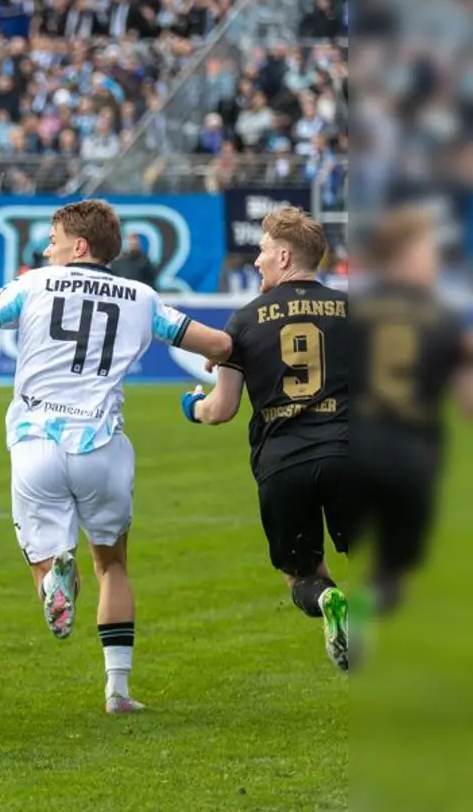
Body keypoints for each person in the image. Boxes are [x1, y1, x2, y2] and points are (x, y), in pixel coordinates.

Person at [0, 199, 231, 714]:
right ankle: (119, 691)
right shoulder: (141, 296)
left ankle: (53, 579)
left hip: (37, 441)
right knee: (113, 565)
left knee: (48, 563)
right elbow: (217, 343)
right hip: (102, 446)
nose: (45, 248)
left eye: (53, 240)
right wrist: (222, 375)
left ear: (77, 247)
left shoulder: (34, 283)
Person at [183, 205, 353, 671]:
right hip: (348, 454)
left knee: (302, 574)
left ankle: (329, 602)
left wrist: (190, 407)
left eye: (261, 252)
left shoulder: (244, 321)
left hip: (283, 463)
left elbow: (222, 410)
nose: (256, 261)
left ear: (282, 256)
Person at [348, 208, 472, 617]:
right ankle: (370, 603)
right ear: (406, 256)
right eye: (429, 252)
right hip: (411, 455)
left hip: (355, 446)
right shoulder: (444, 319)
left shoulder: (358, 308)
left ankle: (345, 613)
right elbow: (467, 404)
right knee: (393, 569)